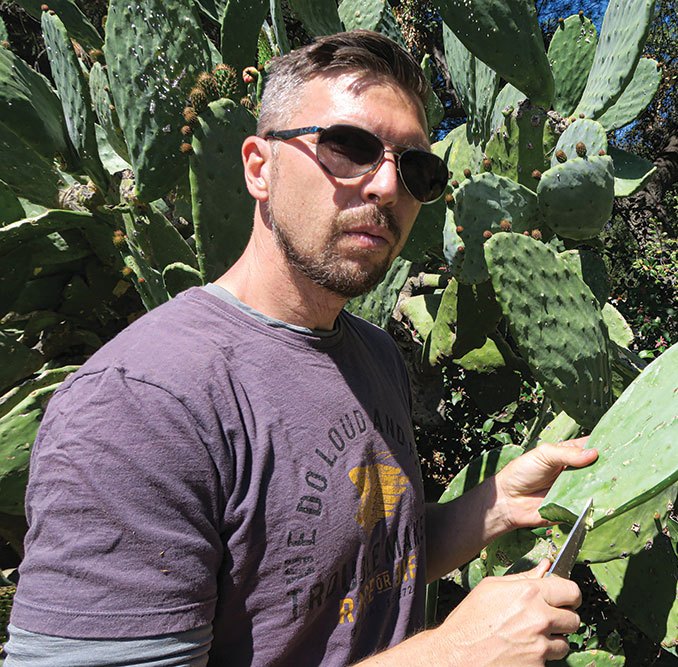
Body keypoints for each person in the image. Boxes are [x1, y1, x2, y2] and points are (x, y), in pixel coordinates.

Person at [4, 30, 597, 666]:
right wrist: (451, 654)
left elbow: (370, 565)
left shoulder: (373, 355)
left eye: (417, 169)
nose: (386, 187)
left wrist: (497, 504)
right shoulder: (140, 402)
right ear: (259, 168)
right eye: (348, 147)